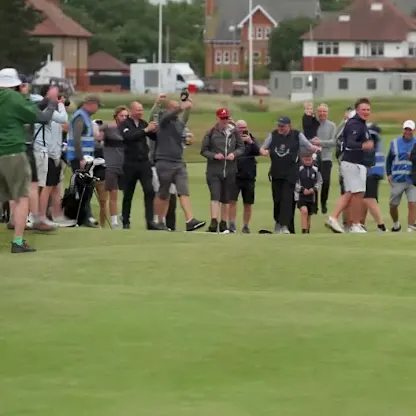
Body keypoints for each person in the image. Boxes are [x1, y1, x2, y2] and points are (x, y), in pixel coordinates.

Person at [0, 68, 58, 252]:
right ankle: (18, 242)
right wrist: (52, 103)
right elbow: (41, 118)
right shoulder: (14, 98)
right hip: (13, 151)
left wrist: (43, 100)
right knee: (21, 197)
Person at [260, 116, 319, 234]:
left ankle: (284, 225)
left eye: (283, 126)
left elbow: (308, 145)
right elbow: (263, 147)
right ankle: (278, 222)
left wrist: (315, 148)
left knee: (287, 199)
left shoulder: (297, 135)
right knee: (277, 199)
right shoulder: (273, 135)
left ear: (289, 126)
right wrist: (263, 151)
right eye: (279, 126)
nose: (280, 128)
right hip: (276, 173)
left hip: (290, 174)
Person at [153, 99, 205, 232]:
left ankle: (190, 220)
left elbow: (184, 118)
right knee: (164, 193)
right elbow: (170, 115)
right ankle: (159, 221)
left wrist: (188, 108)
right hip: (164, 161)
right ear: (169, 109)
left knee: (183, 191)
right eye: (174, 107)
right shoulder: (163, 120)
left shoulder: (178, 123)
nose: (177, 109)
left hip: (178, 162)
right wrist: (182, 107)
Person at [326, 98, 373, 234]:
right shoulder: (355, 124)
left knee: (356, 193)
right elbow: (350, 143)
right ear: (357, 110)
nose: (366, 112)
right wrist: (364, 145)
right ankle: (343, 220)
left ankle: (353, 223)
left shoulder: (361, 124)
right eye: (363, 109)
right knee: (354, 193)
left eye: (368, 110)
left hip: (357, 163)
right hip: (352, 163)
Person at [32, 88, 74, 227]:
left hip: (51, 154)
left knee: (54, 187)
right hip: (48, 154)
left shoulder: (48, 111)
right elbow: (62, 120)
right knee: (46, 187)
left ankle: (55, 215)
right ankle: (42, 216)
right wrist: (59, 104)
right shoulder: (48, 112)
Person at [201, 108, 245, 233]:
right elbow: (204, 150)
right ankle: (214, 222)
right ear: (217, 118)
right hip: (214, 170)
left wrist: (234, 154)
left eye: (226, 118)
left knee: (226, 198)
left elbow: (241, 147)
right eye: (222, 118)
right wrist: (214, 155)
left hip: (230, 169)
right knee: (215, 195)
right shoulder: (211, 132)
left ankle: (223, 223)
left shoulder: (234, 132)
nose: (224, 121)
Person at [120, 101, 162, 230]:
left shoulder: (143, 123)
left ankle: (150, 222)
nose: (140, 112)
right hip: (130, 163)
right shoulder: (125, 124)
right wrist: (146, 130)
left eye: (142, 110)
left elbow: (153, 137)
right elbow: (129, 137)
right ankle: (126, 221)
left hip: (144, 163)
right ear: (132, 111)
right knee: (128, 193)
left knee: (149, 191)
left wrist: (155, 131)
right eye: (138, 110)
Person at [66, 94, 101, 227]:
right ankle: (83, 217)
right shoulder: (80, 117)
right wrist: (81, 158)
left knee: (87, 188)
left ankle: (85, 216)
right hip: (79, 158)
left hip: (86, 158)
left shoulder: (85, 117)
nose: (97, 109)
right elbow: (77, 140)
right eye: (97, 106)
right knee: (83, 188)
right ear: (90, 104)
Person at [228, 119, 260, 234]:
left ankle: (246, 226)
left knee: (248, 203)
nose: (242, 130)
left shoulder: (252, 139)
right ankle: (232, 225)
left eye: (244, 128)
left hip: (249, 176)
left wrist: (250, 142)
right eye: (240, 128)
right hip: (235, 175)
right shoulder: (232, 139)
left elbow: (258, 152)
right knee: (232, 201)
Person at [386, 120, 416, 232]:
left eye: (410, 130)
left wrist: (412, 157)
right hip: (397, 179)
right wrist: (389, 173)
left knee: (413, 203)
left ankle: (410, 227)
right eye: (406, 129)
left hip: (412, 179)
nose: (408, 131)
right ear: (403, 129)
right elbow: (389, 159)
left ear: (414, 130)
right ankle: (396, 224)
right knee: (393, 205)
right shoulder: (394, 143)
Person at [101, 106, 128, 228]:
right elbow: (97, 132)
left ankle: (124, 217)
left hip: (125, 165)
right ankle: (114, 222)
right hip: (112, 165)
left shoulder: (128, 129)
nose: (124, 118)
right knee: (113, 194)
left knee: (127, 194)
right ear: (116, 116)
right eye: (122, 115)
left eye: (126, 116)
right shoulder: (109, 127)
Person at [361, 123, 387, 232]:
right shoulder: (376, 136)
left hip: (371, 171)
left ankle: (381, 226)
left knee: (369, 199)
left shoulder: (371, 136)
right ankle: (361, 224)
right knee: (365, 198)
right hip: (376, 171)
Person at [313, 103, 336, 214]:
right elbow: (307, 139)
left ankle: (323, 202)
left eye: (324, 111)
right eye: (320, 111)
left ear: (327, 113)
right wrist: (313, 142)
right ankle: (314, 205)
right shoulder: (312, 124)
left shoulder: (332, 126)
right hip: (313, 157)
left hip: (326, 158)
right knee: (313, 182)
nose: (322, 113)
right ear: (317, 112)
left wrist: (320, 142)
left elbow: (333, 142)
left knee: (326, 181)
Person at [294, 152, 322, 234]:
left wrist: (313, 189)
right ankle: (303, 230)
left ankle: (307, 231)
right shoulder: (299, 170)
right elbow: (295, 182)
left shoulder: (315, 170)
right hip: (301, 196)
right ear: (302, 160)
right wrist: (302, 189)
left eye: (309, 160)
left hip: (311, 197)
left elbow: (320, 181)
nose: (308, 162)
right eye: (306, 160)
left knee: (309, 214)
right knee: (304, 211)